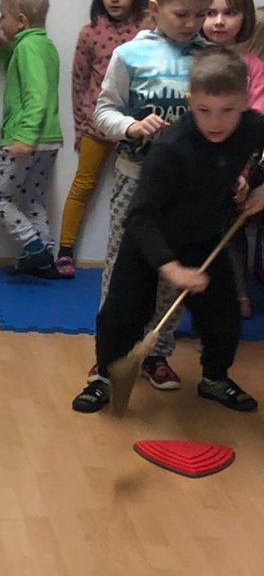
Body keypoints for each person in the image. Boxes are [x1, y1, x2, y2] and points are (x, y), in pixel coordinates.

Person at [74, 49, 264, 414]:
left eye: (228, 110)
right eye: (204, 110)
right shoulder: (170, 148)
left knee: (223, 316)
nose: (216, 122)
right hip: (148, 240)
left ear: (245, 101)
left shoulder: (252, 127)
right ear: (190, 101)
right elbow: (140, 217)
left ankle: (215, 378)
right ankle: (106, 379)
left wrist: (261, 186)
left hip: (204, 236)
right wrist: (171, 268)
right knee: (121, 314)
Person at [82, 0, 215, 397]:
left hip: (186, 190)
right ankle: (110, 352)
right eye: (182, 14)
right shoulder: (130, 54)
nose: (192, 24)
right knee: (121, 270)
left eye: (201, 14)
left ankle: (156, 351)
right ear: (155, 9)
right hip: (134, 178)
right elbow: (103, 112)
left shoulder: (210, 59)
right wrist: (132, 126)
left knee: (171, 271)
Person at [56, 0, 149, 278]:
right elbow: (78, 82)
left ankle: (135, 252)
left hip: (137, 126)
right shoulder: (90, 33)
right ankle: (65, 250)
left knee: (137, 188)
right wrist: (80, 128)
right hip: (96, 124)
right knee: (83, 184)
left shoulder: (148, 32)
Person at [0, 0, 64, 275]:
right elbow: (24, 78)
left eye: (2, 15)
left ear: (21, 21)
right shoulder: (44, 46)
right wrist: (5, 53)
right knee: (31, 199)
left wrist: (25, 137)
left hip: (26, 138)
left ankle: (33, 245)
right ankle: (46, 260)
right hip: (50, 139)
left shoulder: (28, 47)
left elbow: (36, 95)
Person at [202, 0, 261, 313]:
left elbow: (256, 118)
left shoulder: (253, 68)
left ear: (245, 18)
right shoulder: (192, 60)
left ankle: (239, 292)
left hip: (238, 163)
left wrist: (241, 170)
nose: (219, 21)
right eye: (211, 13)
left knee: (232, 230)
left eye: (230, 13)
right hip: (196, 162)